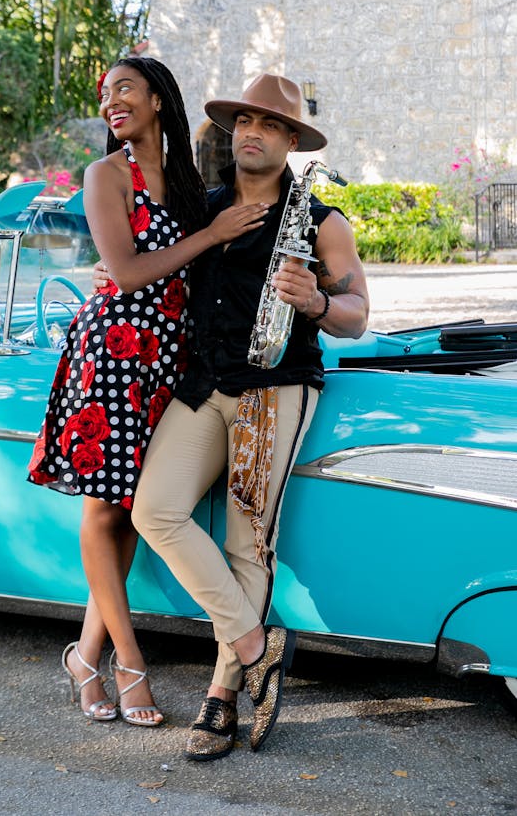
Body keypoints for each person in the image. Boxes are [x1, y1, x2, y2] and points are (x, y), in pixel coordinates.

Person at [131, 72, 369, 759]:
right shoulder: (202, 208)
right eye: (242, 122)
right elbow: (152, 268)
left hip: (275, 386)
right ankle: (256, 644)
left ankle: (222, 695)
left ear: (292, 141)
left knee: (247, 542)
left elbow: (358, 313)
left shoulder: (323, 221)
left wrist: (318, 302)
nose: (251, 133)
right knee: (156, 509)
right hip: (206, 384)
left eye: (267, 124)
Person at [27, 55, 268, 728]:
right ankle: (127, 662)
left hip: (167, 361)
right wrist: (207, 237)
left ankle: (84, 655)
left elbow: (210, 265)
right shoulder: (105, 174)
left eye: (125, 89)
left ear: (160, 99)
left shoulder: (192, 184)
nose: (112, 101)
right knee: (106, 508)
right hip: (111, 353)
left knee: (129, 505)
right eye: (105, 94)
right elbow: (128, 273)